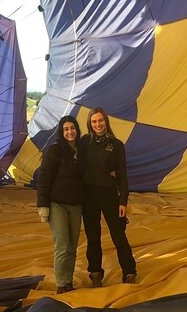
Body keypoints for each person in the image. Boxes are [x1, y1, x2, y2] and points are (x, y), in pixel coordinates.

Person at [80, 107, 137, 287]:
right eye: (94, 121)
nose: (98, 124)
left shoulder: (117, 145)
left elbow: (122, 175)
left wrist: (123, 201)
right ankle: (95, 272)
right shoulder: (84, 142)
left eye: (100, 121)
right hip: (88, 195)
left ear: (106, 122)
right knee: (93, 236)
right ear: (90, 123)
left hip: (109, 194)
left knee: (118, 235)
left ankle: (129, 271)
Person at [37, 116, 85, 294]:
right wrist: (42, 205)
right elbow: (44, 178)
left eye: (72, 128)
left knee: (73, 245)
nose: (70, 132)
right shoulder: (55, 151)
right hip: (57, 204)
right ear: (61, 132)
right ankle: (61, 284)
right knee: (62, 244)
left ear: (77, 130)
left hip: (76, 205)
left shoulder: (83, 150)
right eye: (66, 129)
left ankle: (68, 281)